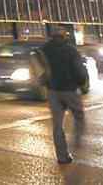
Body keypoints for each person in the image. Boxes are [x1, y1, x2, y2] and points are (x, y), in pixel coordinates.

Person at [33, 27, 89, 165]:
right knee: (79, 116)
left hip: (53, 91)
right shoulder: (71, 50)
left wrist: (44, 81)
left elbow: (39, 67)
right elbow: (79, 70)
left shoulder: (44, 49)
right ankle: (76, 142)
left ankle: (62, 156)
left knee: (57, 124)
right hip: (70, 90)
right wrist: (82, 85)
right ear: (64, 37)